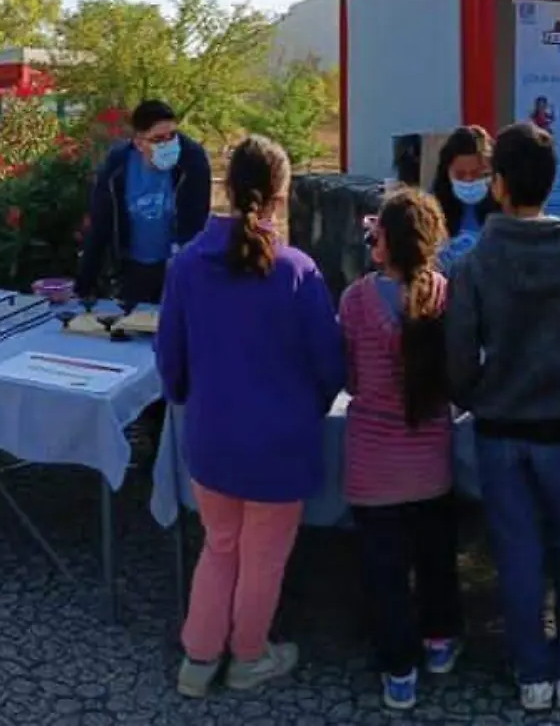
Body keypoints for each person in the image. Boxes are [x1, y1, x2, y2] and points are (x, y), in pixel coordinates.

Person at [155, 134, 345, 698]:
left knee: (220, 546)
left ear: (226, 187)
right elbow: (330, 365)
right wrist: (302, 409)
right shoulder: (299, 270)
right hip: (281, 445)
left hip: (212, 439)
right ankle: (248, 656)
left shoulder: (187, 265)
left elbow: (171, 361)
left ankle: (199, 658)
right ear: (281, 197)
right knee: (263, 558)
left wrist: (199, 400)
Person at [446, 122, 560, 713]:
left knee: (517, 551)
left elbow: (457, 358)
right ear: (551, 183)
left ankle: (530, 672)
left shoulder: (473, 265)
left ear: (497, 185)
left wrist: (477, 395)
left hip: (498, 432)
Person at [341, 187, 466, 710]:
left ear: (383, 242)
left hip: (373, 467)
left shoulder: (355, 300)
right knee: (436, 558)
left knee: (386, 574)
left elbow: (348, 378)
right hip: (431, 462)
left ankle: (399, 672)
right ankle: (440, 641)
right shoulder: (444, 294)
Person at [78, 99, 213, 305]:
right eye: (158, 139)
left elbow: (196, 223)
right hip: (132, 267)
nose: (168, 144)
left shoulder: (192, 160)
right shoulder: (117, 166)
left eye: (172, 136)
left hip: (176, 267)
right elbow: (101, 224)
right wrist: (84, 286)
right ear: (139, 142)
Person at [431, 126, 499, 271]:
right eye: (460, 174)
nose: (468, 180)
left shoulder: (506, 208)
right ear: (446, 172)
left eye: (477, 173)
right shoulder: (431, 211)